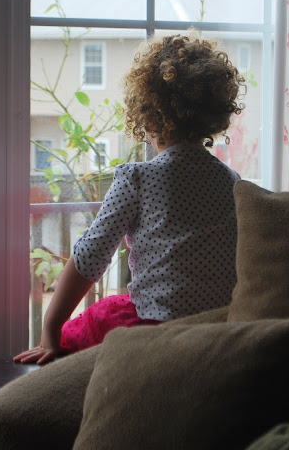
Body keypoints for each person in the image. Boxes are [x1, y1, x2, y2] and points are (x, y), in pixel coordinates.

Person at [14, 31, 245, 365]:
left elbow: (89, 258)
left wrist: (50, 328)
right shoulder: (232, 181)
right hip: (217, 331)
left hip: (154, 329)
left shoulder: (138, 178)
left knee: (82, 330)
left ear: (148, 114)